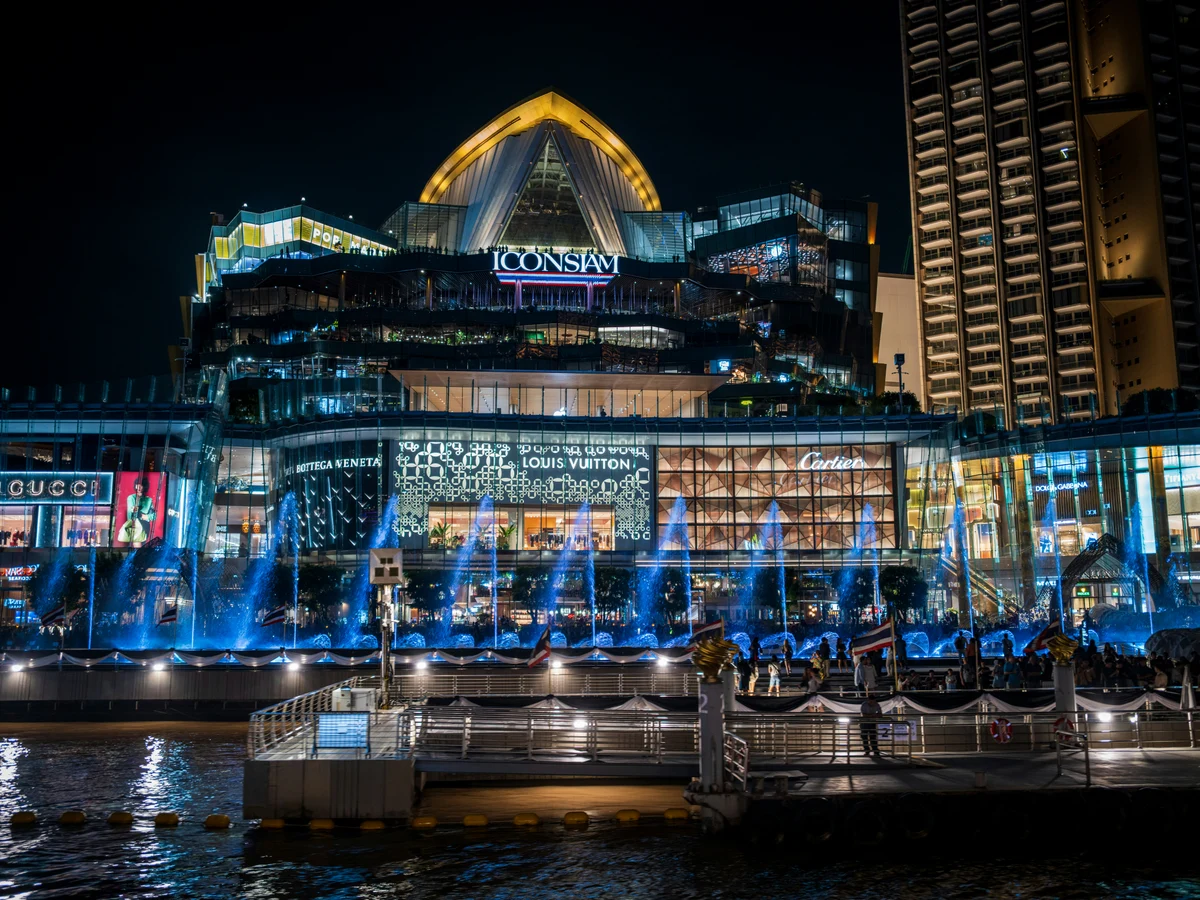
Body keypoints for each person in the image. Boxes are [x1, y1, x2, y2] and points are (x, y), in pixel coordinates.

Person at [117, 476, 157, 548]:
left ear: (144, 487)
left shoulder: (149, 500)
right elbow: (132, 513)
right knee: (138, 548)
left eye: (140, 486)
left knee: (143, 547)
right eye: (137, 485)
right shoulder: (131, 498)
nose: (138, 488)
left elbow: (154, 516)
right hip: (135, 525)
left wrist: (146, 516)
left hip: (145, 526)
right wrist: (142, 515)